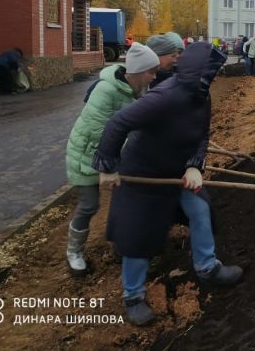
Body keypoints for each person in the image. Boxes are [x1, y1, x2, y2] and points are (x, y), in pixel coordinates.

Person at [93, 43, 243, 326]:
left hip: (176, 171)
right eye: (212, 71)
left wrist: (193, 165)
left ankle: (208, 268)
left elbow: (202, 134)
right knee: (140, 234)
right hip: (145, 174)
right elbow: (118, 123)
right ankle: (133, 296)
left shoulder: (201, 96)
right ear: (196, 71)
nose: (214, 76)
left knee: (200, 210)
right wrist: (108, 166)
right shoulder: (165, 97)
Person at [65, 43, 160, 275]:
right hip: (85, 155)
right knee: (90, 205)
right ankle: (73, 251)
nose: (154, 77)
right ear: (138, 71)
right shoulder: (106, 90)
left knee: (125, 196)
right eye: (151, 72)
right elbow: (99, 131)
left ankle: (121, 244)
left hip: (111, 155)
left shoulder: (137, 90)